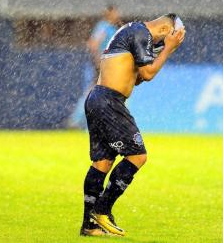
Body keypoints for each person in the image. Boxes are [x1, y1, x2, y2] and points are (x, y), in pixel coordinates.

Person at [80, 13, 186, 236]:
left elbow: (136, 78)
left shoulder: (132, 32)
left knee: (102, 162)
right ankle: (102, 210)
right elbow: (147, 74)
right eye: (174, 37)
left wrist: (159, 50)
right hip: (109, 101)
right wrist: (167, 49)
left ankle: (89, 226)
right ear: (166, 31)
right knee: (138, 156)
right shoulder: (141, 33)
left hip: (98, 98)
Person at [67, 5, 120, 129]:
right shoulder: (104, 26)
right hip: (103, 65)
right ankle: (76, 120)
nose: (117, 14)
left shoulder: (110, 27)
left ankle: (85, 120)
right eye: (115, 12)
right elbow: (93, 43)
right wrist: (98, 60)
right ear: (109, 13)